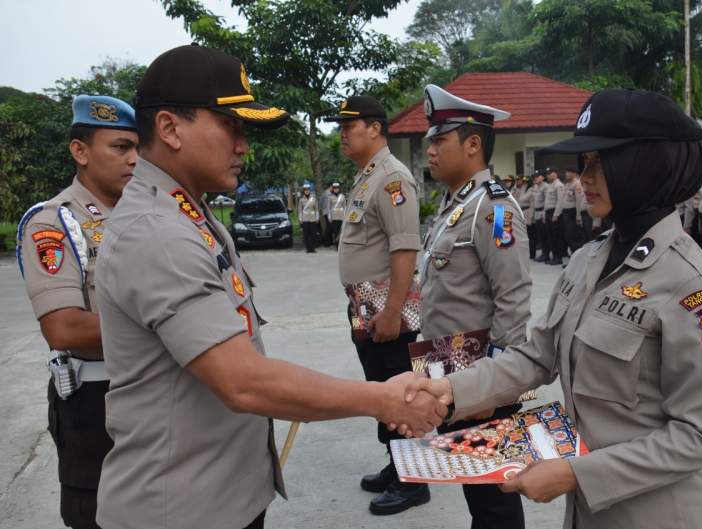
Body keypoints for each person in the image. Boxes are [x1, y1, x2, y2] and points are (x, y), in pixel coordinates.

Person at [94, 45, 446, 529]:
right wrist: (381, 399)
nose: (243, 145)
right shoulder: (158, 231)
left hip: (214, 490)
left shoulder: (186, 212)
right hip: (181, 506)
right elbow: (241, 380)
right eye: (231, 126)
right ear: (170, 128)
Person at [405, 88, 702, 529]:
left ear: (645, 165)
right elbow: (537, 355)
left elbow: (701, 437)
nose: (584, 177)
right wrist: (453, 390)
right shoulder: (589, 259)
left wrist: (576, 473)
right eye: (583, 164)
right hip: (587, 511)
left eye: (599, 163)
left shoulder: (693, 283)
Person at [16, 95, 137, 529]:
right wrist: (172, 329)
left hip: (153, 389)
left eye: (137, 148)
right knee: (97, 514)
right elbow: (63, 328)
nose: (134, 160)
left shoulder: (146, 215)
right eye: (120, 148)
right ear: (80, 151)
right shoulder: (54, 223)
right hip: (95, 402)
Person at [420, 84, 529, 529]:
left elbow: (514, 297)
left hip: (480, 374)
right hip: (451, 367)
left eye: (438, 140)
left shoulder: (494, 209)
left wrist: (496, 384)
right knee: (475, 484)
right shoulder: (456, 203)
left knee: (494, 495)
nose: (429, 150)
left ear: (472, 145)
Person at [325, 95, 428, 515]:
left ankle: (415, 479)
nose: (342, 135)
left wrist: (391, 312)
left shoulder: (392, 178)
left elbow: (404, 250)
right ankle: (397, 464)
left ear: (375, 129)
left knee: (400, 390)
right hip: (366, 303)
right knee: (380, 386)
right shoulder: (368, 176)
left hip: (387, 306)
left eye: (349, 127)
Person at [554, 167, 583, 254]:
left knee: (573, 236)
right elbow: (562, 200)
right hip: (565, 213)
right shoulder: (566, 184)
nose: (567, 174)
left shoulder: (577, 184)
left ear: (574, 174)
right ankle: (572, 257)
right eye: (566, 172)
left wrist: (578, 216)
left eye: (569, 172)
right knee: (567, 236)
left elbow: (578, 201)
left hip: (572, 212)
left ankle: (576, 258)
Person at [544, 168, 566, 265]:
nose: (548, 176)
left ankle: (558, 258)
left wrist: (556, 214)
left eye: (550, 174)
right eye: (547, 174)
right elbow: (547, 201)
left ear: (555, 174)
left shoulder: (559, 185)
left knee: (556, 236)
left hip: (554, 213)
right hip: (549, 212)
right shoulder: (550, 185)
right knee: (550, 236)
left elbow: (560, 201)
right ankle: (554, 256)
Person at [530, 171, 547, 261]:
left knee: (545, 235)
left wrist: (544, 214)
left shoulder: (546, 187)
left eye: (537, 176)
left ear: (542, 177)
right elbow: (533, 202)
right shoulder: (535, 187)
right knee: (540, 235)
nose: (535, 178)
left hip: (543, 212)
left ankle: (546, 254)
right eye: (534, 177)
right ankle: (543, 253)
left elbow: (546, 202)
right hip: (536, 212)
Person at [299, 183, 319, 252]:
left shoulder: (313, 199)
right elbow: (300, 210)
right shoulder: (301, 199)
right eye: (305, 190)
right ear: (304, 191)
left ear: (309, 190)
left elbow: (316, 209)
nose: (307, 191)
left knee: (313, 234)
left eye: (308, 190)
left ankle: (313, 248)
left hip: (313, 219)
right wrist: (300, 219)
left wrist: (317, 217)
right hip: (305, 219)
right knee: (306, 235)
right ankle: (307, 248)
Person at [326, 181, 346, 246]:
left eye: (337, 188)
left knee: (341, 231)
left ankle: (340, 245)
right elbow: (328, 208)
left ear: (339, 189)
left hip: (341, 216)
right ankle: (337, 245)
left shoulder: (342, 196)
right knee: (335, 231)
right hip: (334, 217)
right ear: (333, 189)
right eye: (334, 188)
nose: (336, 189)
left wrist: (345, 216)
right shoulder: (330, 197)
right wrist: (329, 217)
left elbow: (345, 206)